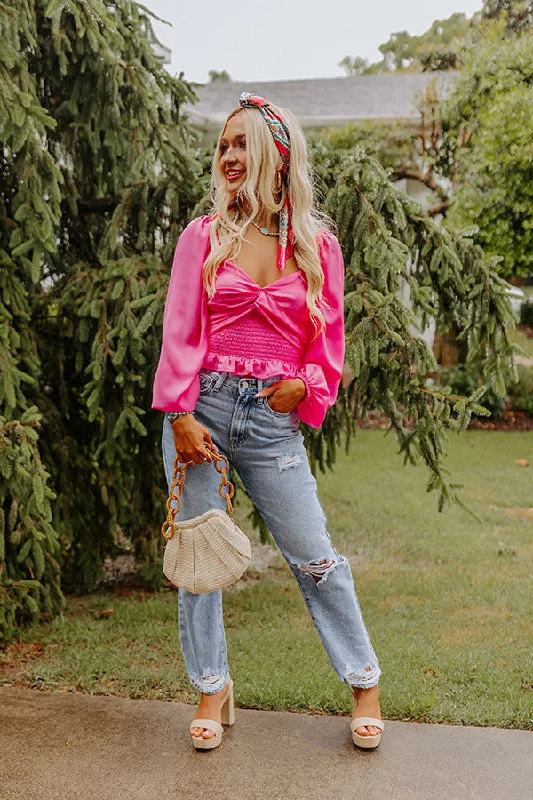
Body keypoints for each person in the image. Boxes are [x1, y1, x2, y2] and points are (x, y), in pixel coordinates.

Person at [152, 93, 383, 751]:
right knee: (203, 558)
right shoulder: (202, 236)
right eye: (223, 144)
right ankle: (210, 688)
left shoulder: (317, 246)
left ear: (277, 159)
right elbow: (178, 332)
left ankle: (363, 680)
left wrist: (303, 385)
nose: (228, 156)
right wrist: (179, 414)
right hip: (201, 413)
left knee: (315, 557)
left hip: (269, 420)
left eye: (241, 144)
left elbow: (327, 344)